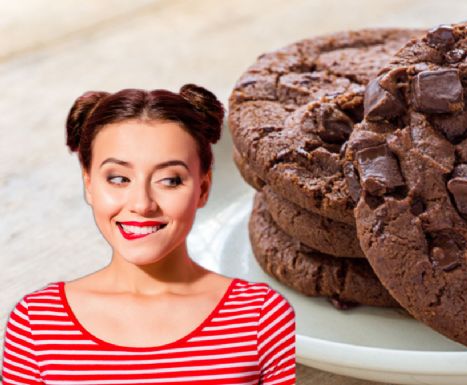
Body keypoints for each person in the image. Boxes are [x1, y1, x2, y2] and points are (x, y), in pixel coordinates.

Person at [1, 84, 296, 384]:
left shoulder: (260, 317)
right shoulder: (36, 323)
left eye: (169, 180)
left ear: (203, 188)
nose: (142, 204)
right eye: (118, 178)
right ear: (89, 184)